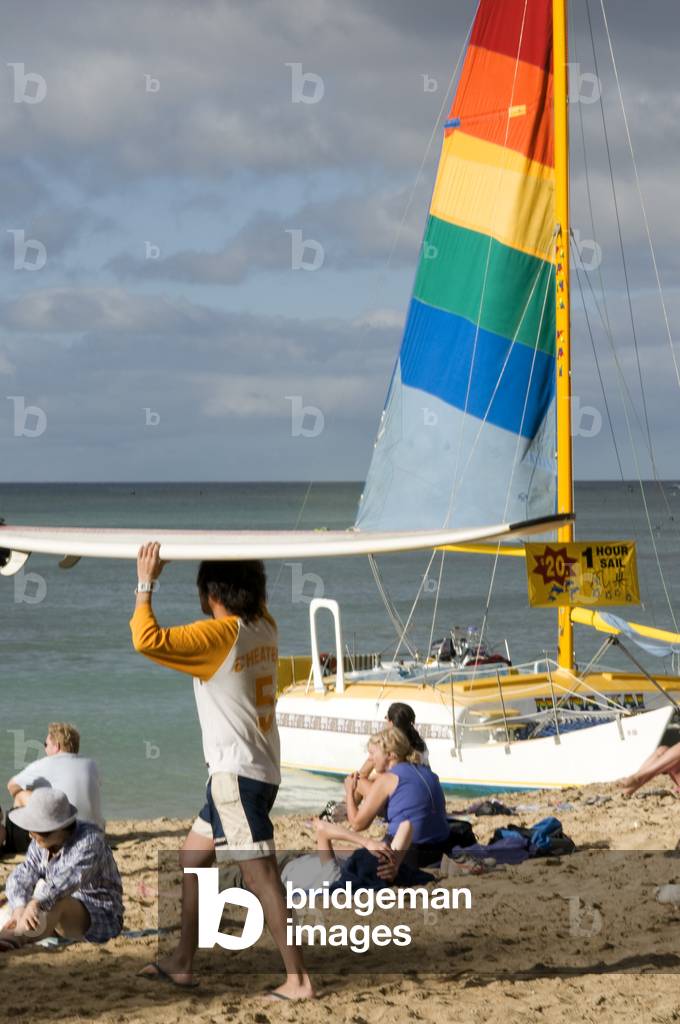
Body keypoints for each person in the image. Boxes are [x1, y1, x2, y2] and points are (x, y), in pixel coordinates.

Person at [129, 542, 313, 1000]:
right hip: (255, 770)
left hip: (236, 777)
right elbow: (251, 591)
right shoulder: (264, 626)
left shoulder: (216, 638)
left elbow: (144, 638)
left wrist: (146, 580)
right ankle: (183, 962)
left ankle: (299, 979)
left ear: (210, 594)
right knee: (194, 858)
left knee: (260, 875)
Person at [0, 788, 123, 952]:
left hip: (99, 916)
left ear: (60, 828)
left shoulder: (90, 840)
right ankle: (16, 930)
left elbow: (64, 882)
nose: (30, 835)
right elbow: (24, 872)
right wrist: (19, 907)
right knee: (19, 904)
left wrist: (35, 903)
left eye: (36, 830)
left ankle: (15, 938)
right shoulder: (41, 843)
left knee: (54, 901)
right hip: (58, 908)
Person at [344, 728, 452, 866]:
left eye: (372, 753)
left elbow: (357, 824)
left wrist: (349, 792)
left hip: (408, 852)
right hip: (440, 850)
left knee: (338, 852)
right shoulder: (427, 772)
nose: (370, 759)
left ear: (390, 755)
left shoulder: (388, 779)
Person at [6, 722, 105, 840]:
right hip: (96, 834)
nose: (45, 748)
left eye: (45, 744)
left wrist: (37, 795)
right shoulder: (91, 764)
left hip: (63, 835)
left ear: (57, 746)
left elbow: (12, 785)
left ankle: (19, 840)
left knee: (20, 795)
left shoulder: (44, 764)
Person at [355, 703, 429, 800]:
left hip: (400, 795)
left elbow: (364, 773)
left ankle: (348, 809)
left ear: (391, 722)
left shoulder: (391, 743)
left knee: (359, 781)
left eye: (386, 718)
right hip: (421, 792)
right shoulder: (420, 742)